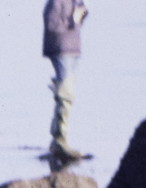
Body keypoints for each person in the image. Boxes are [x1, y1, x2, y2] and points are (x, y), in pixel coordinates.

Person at [43, 0, 87, 160]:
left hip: (73, 49)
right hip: (61, 49)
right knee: (65, 94)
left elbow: (77, 20)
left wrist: (81, 14)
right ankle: (59, 141)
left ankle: (59, 139)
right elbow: (52, 25)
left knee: (67, 93)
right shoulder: (56, 1)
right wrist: (73, 20)